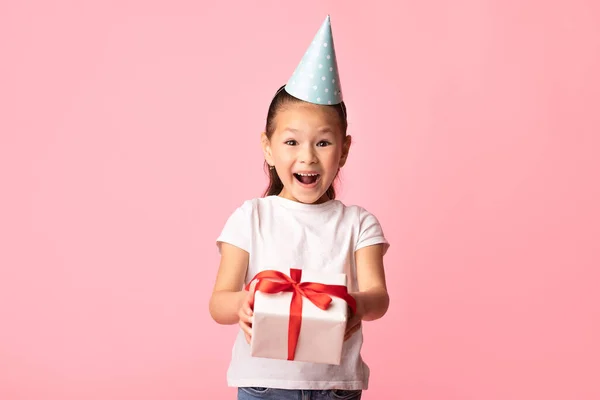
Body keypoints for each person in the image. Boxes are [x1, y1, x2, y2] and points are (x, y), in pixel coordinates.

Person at [209, 15, 390, 400]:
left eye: (323, 143)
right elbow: (219, 301)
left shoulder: (358, 224)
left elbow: (378, 297)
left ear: (344, 151)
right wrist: (242, 303)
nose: (307, 157)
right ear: (268, 148)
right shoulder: (251, 217)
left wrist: (354, 305)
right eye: (292, 142)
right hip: (263, 386)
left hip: (335, 387)